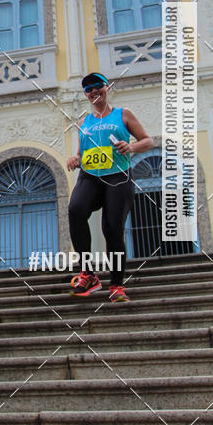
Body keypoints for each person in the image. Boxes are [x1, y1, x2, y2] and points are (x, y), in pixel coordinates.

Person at [66, 72, 153, 302]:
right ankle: (88, 273)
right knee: (75, 210)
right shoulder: (84, 122)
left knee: (112, 228)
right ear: (85, 95)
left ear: (108, 87)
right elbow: (82, 153)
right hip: (90, 177)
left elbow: (148, 141)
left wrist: (131, 147)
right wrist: (75, 160)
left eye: (98, 86)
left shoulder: (123, 114)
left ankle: (116, 285)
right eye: (88, 89)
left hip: (118, 177)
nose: (94, 91)